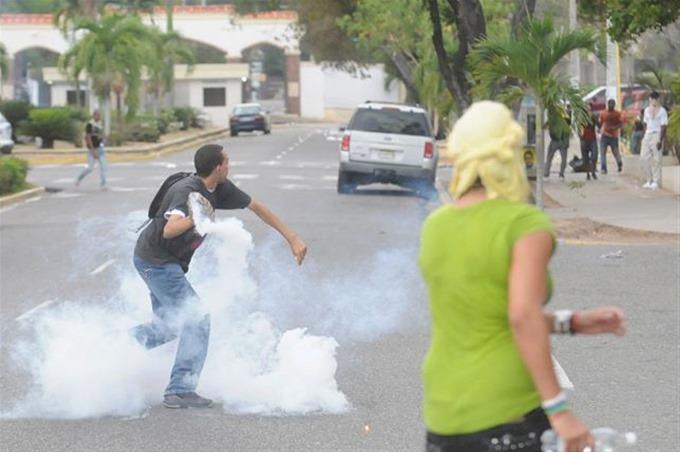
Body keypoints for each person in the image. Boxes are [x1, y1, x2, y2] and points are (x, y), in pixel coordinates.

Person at [419, 101, 626, 452]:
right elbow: (521, 315)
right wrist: (559, 410)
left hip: (443, 411)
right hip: (508, 410)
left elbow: (487, 314)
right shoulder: (524, 224)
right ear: (510, 154)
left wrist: (571, 322)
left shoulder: (436, 226)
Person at [130, 143, 308, 409]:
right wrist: (195, 218)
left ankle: (114, 347)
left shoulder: (220, 188)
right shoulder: (186, 191)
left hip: (163, 262)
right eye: (227, 161)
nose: (229, 165)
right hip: (156, 262)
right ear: (218, 166)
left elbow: (257, 207)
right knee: (197, 318)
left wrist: (292, 238)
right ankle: (179, 390)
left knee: (169, 327)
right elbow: (169, 230)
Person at [641, 91, 668, 191]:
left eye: (655, 98)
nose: (654, 100)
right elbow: (644, 123)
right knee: (644, 157)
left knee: (657, 159)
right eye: (652, 98)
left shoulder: (662, 111)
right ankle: (649, 180)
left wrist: (660, 140)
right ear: (650, 99)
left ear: (658, 99)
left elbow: (664, 126)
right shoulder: (647, 110)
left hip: (657, 134)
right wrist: (644, 135)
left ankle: (656, 181)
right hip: (648, 135)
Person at [75, 110, 107, 188]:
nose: (99, 117)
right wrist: (93, 150)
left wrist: (103, 139)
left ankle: (103, 184)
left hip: (100, 148)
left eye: (100, 115)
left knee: (104, 166)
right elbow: (88, 138)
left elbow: (101, 135)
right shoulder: (90, 125)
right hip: (93, 149)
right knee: (90, 168)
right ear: (94, 116)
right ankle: (79, 179)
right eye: (97, 115)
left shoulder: (100, 124)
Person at [543, 104, 571, 180]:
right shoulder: (565, 118)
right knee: (563, 159)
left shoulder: (553, 118)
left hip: (556, 140)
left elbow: (545, 125)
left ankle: (546, 173)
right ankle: (561, 174)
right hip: (563, 141)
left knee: (549, 157)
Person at [597, 99, 623, 174]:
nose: (611, 106)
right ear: (608, 105)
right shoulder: (605, 113)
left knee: (608, 152)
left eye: (612, 104)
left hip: (611, 136)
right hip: (607, 135)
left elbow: (620, 124)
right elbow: (601, 123)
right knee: (606, 152)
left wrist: (614, 127)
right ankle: (604, 168)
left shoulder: (614, 114)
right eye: (610, 104)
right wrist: (599, 129)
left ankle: (618, 163)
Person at [579, 102, 598, 180]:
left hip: (592, 139)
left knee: (594, 156)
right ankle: (588, 174)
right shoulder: (581, 118)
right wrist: (580, 137)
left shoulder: (593, 116)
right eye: (586, 108)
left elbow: (597, 124)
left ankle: (593, 171)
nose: (588, 109)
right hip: (584, 140)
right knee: (585, 158)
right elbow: (579, 128)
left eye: (589, 107)